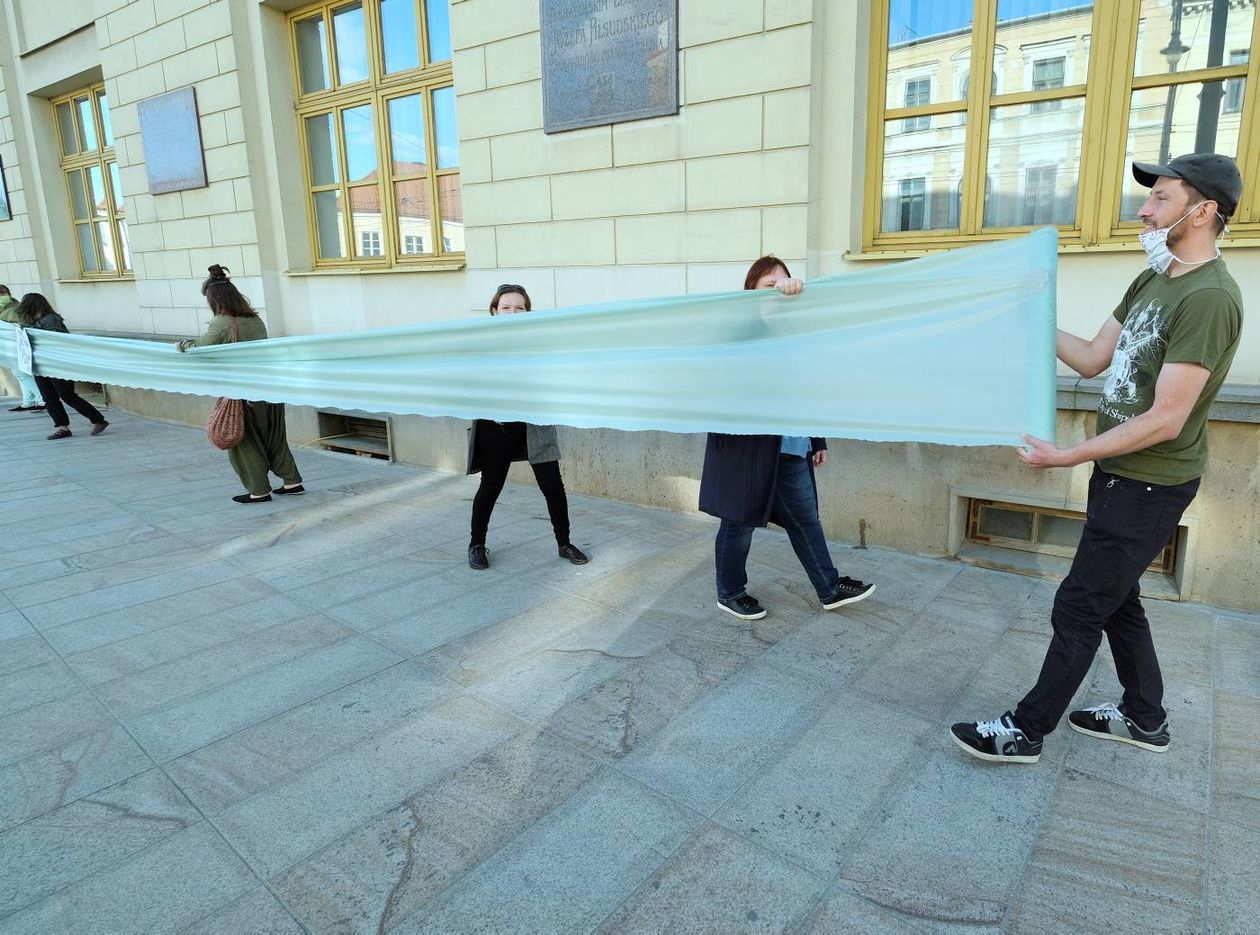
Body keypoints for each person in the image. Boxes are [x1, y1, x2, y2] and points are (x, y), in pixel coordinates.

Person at [952, 153, 1244, 764]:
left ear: (1203, 211)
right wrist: (1030, 320)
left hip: (1151, 484)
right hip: (1119, 478)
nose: (1144, 208)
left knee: (1080, 604)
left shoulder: (1210, 298)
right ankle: (1144, 716)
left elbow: (1167, 418)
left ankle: (1026, 730)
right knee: (1118, 598)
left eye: (1161, 198)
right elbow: (1089, 357)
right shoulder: (1153, 280)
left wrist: (1067, 456)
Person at [698, 256, 875, 621]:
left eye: (784, 283)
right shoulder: (738, 333)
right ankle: (729, 592)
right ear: (751, 292)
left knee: (806, 518)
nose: (779, 290)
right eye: (769, 286)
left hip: (791, 446)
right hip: (749, 452)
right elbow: (722, 382)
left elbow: (804, 391)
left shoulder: (794, 333)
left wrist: (817, 438)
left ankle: (829, 588)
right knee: (739, 522)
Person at [466, 284, 588, 570]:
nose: (512, 312)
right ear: (494, 311)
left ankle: (564, 543)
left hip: (533, 425)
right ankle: (476, 545)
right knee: (490, 488)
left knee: (553, 488)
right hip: (496, 427)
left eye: (519, 308)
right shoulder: (480, 344)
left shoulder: (538, 344)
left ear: (528, 312)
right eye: (506, 307)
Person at [177, 265, 304, 504]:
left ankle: (259, 491)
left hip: (243, 391)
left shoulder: (221, 323)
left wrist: (184, 345)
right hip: (271, 388)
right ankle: (292, 482)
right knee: (275, 437)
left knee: (245, 442)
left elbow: (202, 349)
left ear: (214, 299)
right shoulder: (255, 320)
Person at [16, 293, 108, 439]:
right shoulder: (27, 321)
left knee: (67, 395)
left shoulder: (50, 319)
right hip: (39, 364)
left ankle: (98, 419)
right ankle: (62, 427)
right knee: (49, 398)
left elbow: (59, 341)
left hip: (57, 363)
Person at [0, 285, 44, 412]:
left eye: (3, 293)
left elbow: (24, 324)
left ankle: (42, 399)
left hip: (15, 346)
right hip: (9, 346)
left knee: (21, 374)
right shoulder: (11, 307)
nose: (2, 296)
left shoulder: (14, 309)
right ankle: (28, 402)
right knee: (21, 374)